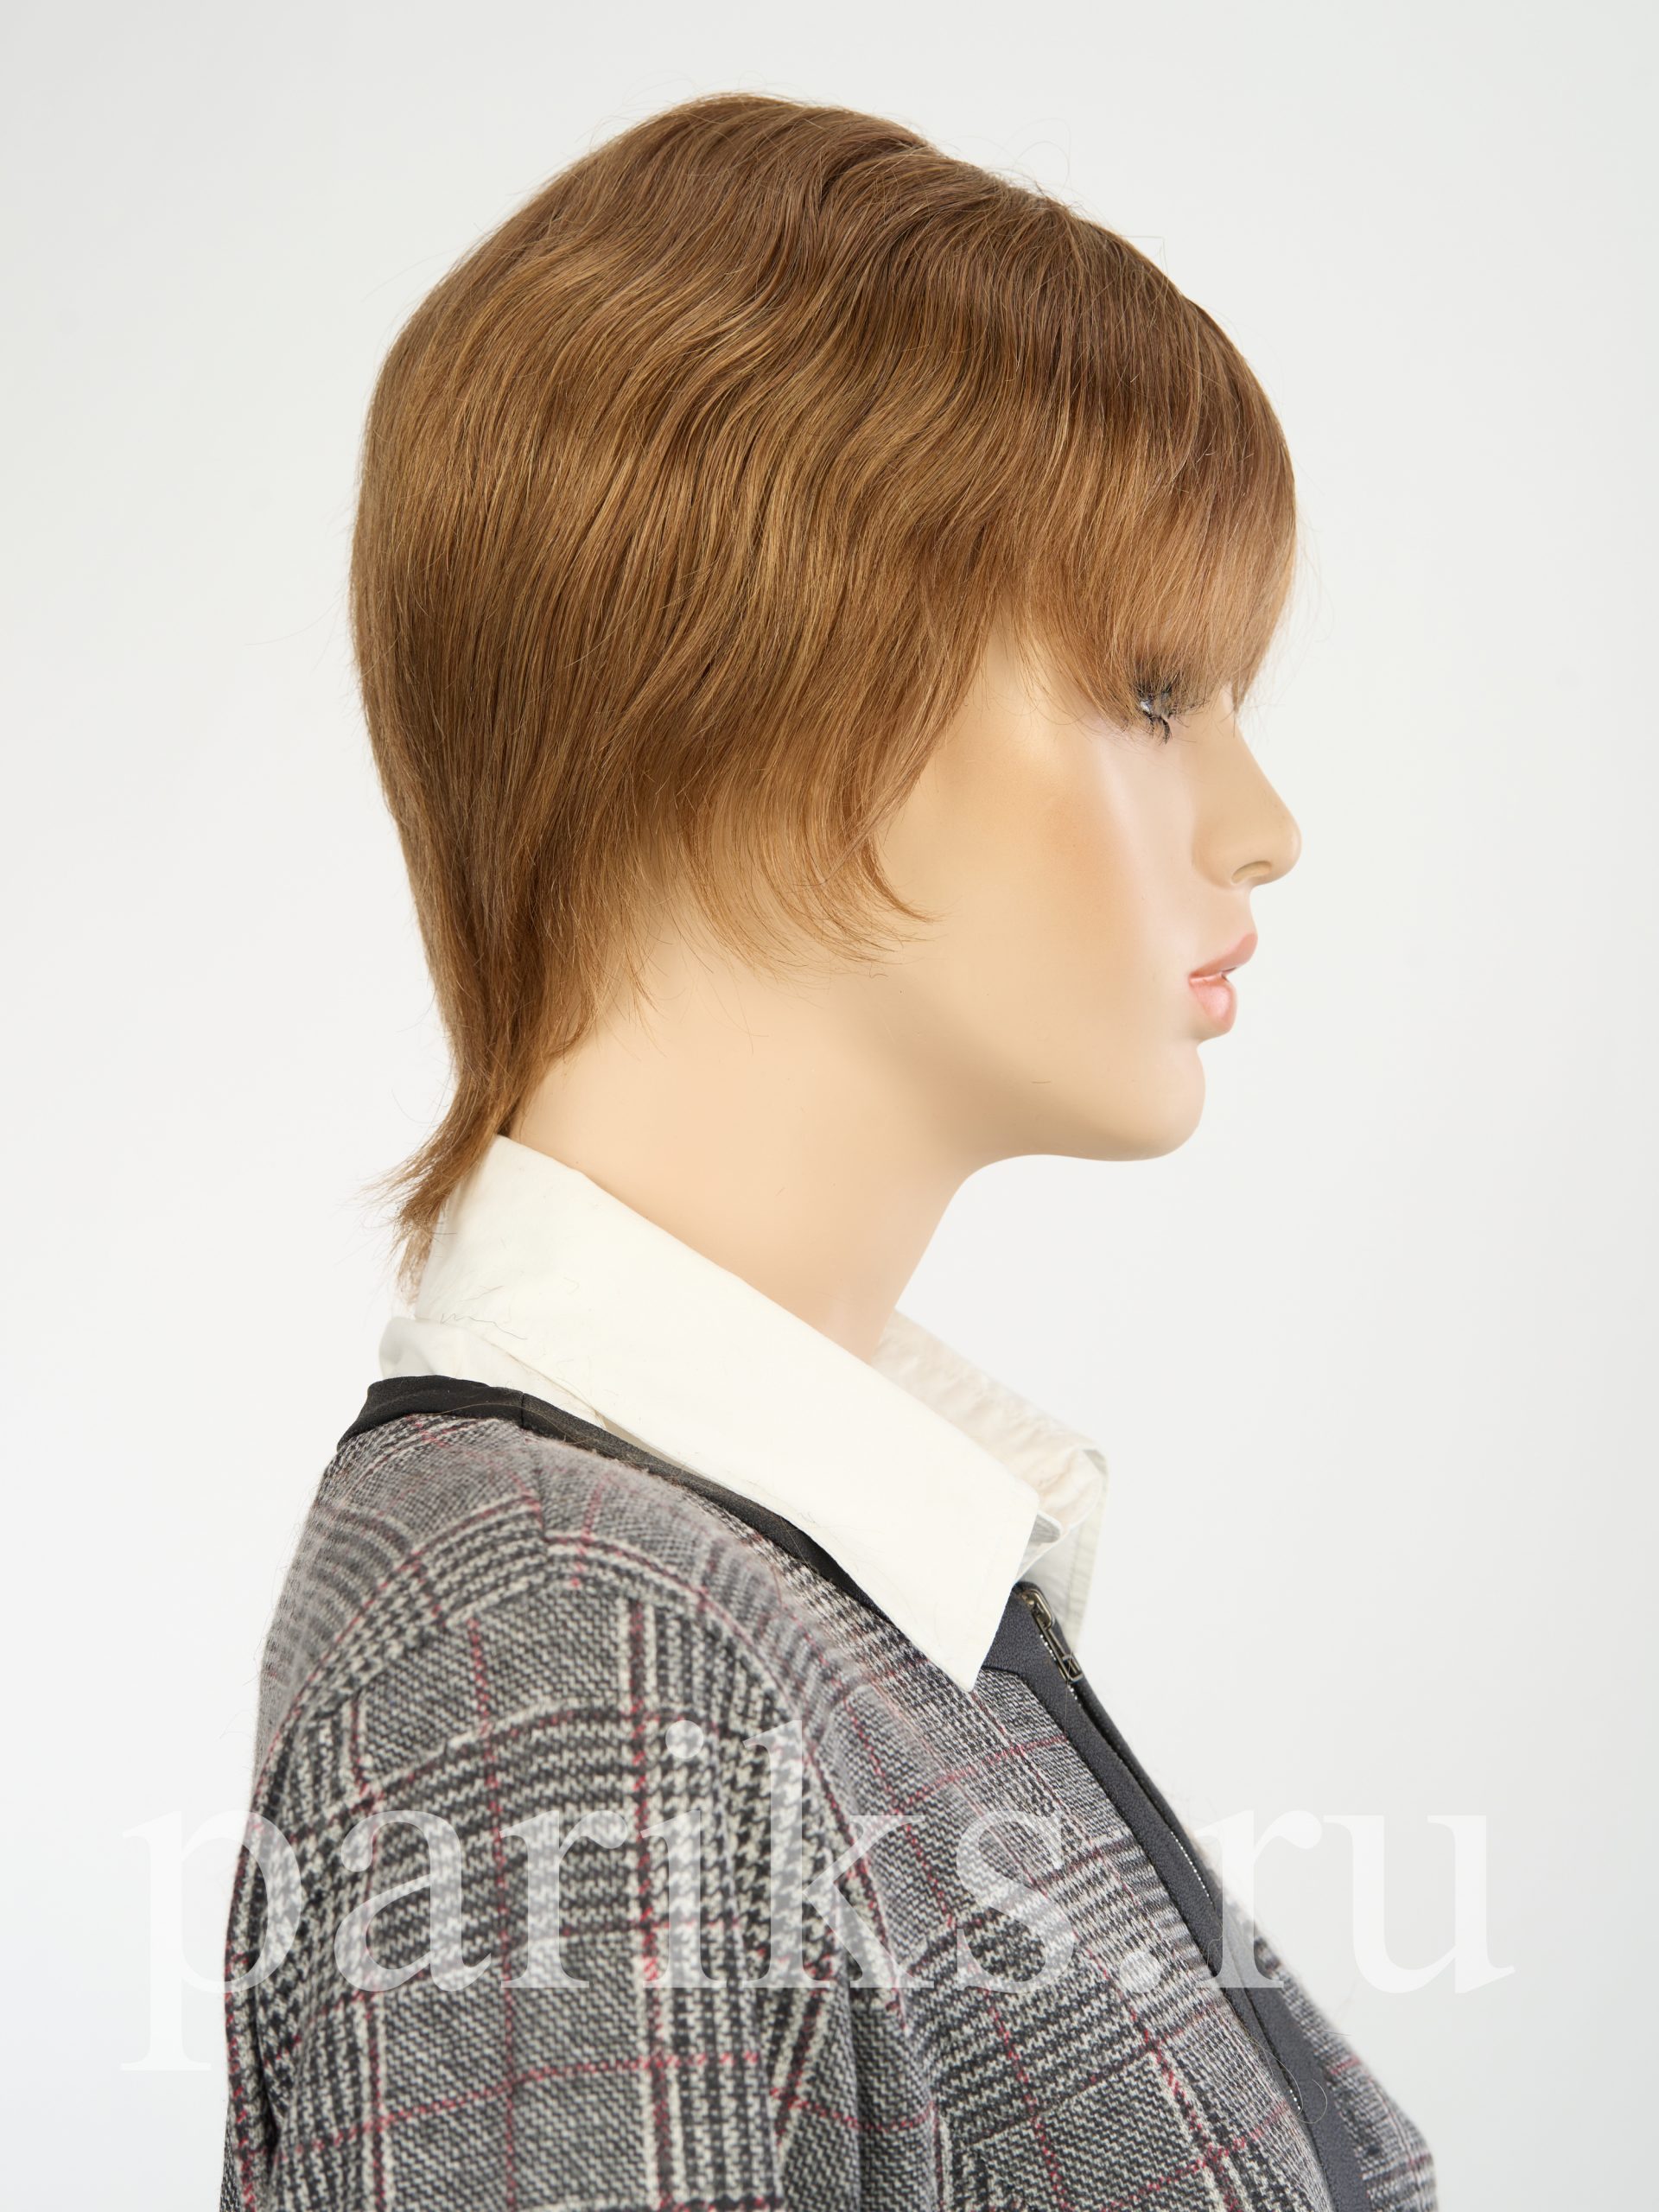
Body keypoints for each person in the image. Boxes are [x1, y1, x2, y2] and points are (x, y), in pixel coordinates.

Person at [219, 90, 1436, 2211]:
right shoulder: (569, 1647)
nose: (1262, 827)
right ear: (759, 707)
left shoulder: (783, 1586)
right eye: (1153, 691)